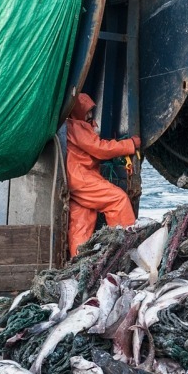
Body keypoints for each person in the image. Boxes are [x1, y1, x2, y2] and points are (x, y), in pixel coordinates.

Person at [66, 93, 140, 257]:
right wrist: (130, 144)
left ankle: (78, 262)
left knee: (82, 221)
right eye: (87, 110)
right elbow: (100, 149)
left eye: (91, 111)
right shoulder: (76, 127)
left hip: (74, 180)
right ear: (77, 110)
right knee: (118, 200)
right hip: (82, 178)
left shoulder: (71, 126)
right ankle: (125, 251)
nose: (90, 114)